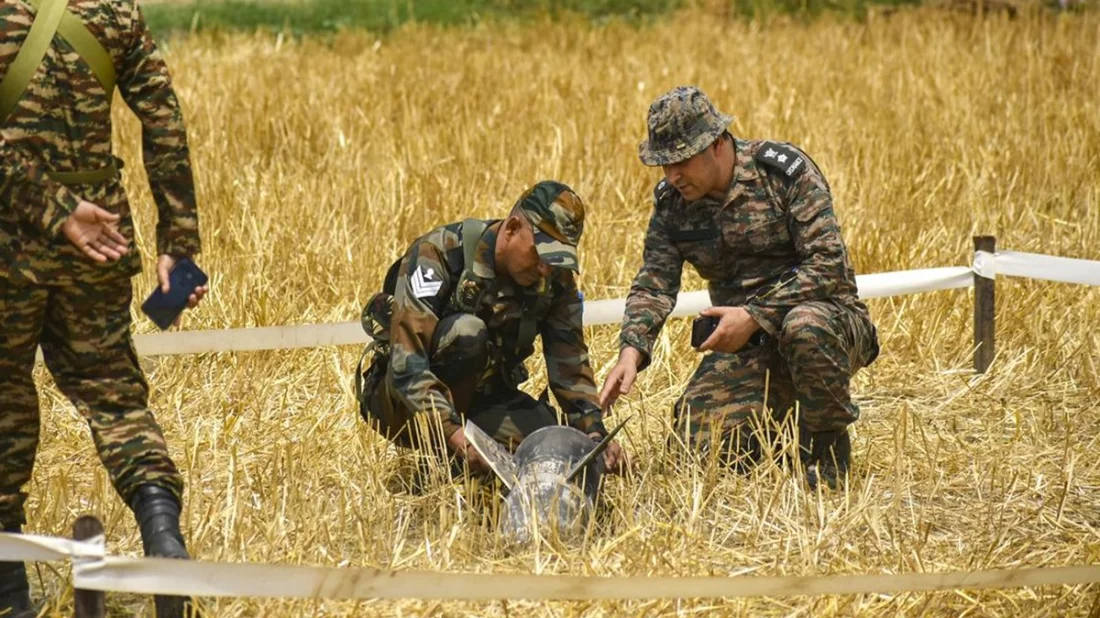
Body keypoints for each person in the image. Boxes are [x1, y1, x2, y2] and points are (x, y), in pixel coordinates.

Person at [0, 0, 205, 615]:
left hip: (10, 243)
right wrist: (179, 246)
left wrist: (54, 210)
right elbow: (163, 120)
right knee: (115, 397)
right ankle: (164, 539)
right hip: (103, 238)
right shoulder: (115, 10)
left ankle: (8, 593)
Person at [599, 86, 877, 489]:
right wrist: (631, 352)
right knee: (695, 453)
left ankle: (827, 453)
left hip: (828, 323)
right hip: (748, 347)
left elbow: (828, 265)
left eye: (680, 160)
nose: (672, 175)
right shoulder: (673, 203)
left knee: (804, 326)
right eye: (663, 165)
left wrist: (754, 315)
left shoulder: (782, 174)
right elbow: (654, 285)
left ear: (716, 144)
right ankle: (785, 426)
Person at [357, 180, 625, 477]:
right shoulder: (439, 252)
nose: (545, 270)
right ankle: (447, 456)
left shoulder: (553, 280)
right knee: (466, 331)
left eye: (556, 260)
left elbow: (570, 366)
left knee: (551, 444)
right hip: (401, 401)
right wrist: (456, 437)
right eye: (541, 254)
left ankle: (472, 453)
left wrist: (594, 438)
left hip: (484, 400)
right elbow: (407, 364)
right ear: (511, 229)